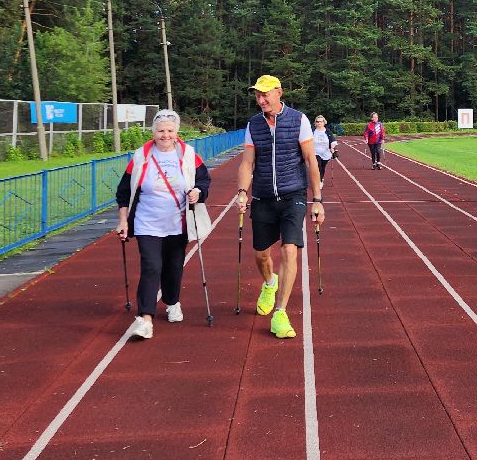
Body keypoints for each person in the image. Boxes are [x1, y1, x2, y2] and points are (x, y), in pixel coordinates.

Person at [234, 75, 324, 339]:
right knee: (262, 255)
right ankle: (270, 283)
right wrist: (242, 192)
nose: (261, 100)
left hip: (292, 194)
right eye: (257, 95)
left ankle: (281, 312)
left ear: (278, 93)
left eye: (265, 94)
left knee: (289, 250)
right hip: (262, 196)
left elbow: (310, 161)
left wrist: (317, 200)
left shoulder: (299, 120)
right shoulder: (253, 124)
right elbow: (247, 163)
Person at [113, 109, 211, 341]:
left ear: (176, 132)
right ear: (153, 132)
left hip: (178, 224)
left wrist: (198, 192)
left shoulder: (188, 154)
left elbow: (204, 180)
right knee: (151, 267)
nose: (165, 135)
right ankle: (145, 319)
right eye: (160, 131)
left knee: (174, 267)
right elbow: (123, 192)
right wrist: (123, 220)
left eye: (170, 130)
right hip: (147, 222)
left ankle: (172, 301)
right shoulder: (140, 156)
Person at [313, 115, 335, 191]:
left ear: (324, 122)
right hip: (315, 152)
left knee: (322, 167)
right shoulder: (313, 131)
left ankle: (321, 178)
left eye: (321, 121)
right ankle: (319, 181)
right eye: (317, 121)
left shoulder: (328, 131)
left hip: (326, 153)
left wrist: (332, 148)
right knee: (318, 166)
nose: (319, 123)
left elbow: (332, 141)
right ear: (315, 123)